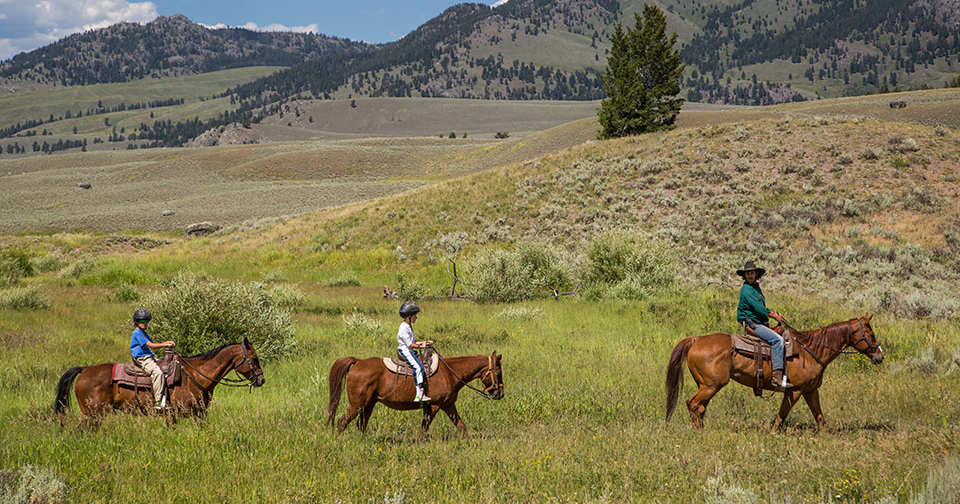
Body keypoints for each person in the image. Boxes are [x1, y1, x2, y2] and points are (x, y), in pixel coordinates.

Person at [735, 261, 792, 390]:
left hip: (760, 323)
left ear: (756, 274)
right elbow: (758, 308)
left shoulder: (756, 287)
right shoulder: (746, 290)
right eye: (748, 274)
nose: (750, 276)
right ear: (745, 276)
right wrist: (773, 315)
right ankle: (777, 377)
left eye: (752, 273)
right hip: (754, 324)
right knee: (778, 340)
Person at [129, 308, 176, 409]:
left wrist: (167, 342)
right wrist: (165, 344)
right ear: (136, 322)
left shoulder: (143, 333)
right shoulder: (137, 333)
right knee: (157, 372)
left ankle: (166, 396)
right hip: (142, 358)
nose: (145, 323)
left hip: (149, 356)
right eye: (142, 321)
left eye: (147, 321)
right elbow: (152, 346)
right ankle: (158, 401)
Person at [396, 301, 434, 402]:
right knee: (418, 367)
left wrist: (424, 342)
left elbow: (413, 341)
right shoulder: (404, 327)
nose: (416, 318)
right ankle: (418, 395)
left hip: (410, 349)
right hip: (406, 350)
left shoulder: (408, 326)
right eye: (414, 315)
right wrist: (422, 345)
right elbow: (410, 345)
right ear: (409, 316)